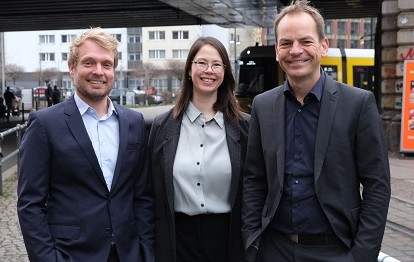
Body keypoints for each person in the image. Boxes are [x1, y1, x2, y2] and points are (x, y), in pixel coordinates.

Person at [241, 1, 391, 262]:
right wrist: (252, 240)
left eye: (305, 41)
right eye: (286, 43)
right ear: (277, 50)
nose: (295, 51)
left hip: (336, 251)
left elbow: (377, 185)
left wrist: (362, 255)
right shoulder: (263, 107)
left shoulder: (358, 104)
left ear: (323, 46)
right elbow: (254, 179)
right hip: (274, 250)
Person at [17, 27, 155, 262]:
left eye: (107, 64)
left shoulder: (134, 122)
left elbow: (142, 197)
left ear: (114, 70)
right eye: (89, 62)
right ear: (72, 68)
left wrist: (145, 252)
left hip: (127, 254)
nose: (98, 71)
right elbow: (30, 203)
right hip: (71, 254)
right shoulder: (44, 124)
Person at [148, 36, 249, 262]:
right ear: (189, 69)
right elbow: (150, 192)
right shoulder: (162, 127)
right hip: (177, 240)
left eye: (216, 64)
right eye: (201, 62)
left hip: (230, 240)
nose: (208, 70)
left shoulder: (245, 128)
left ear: (225, 73)